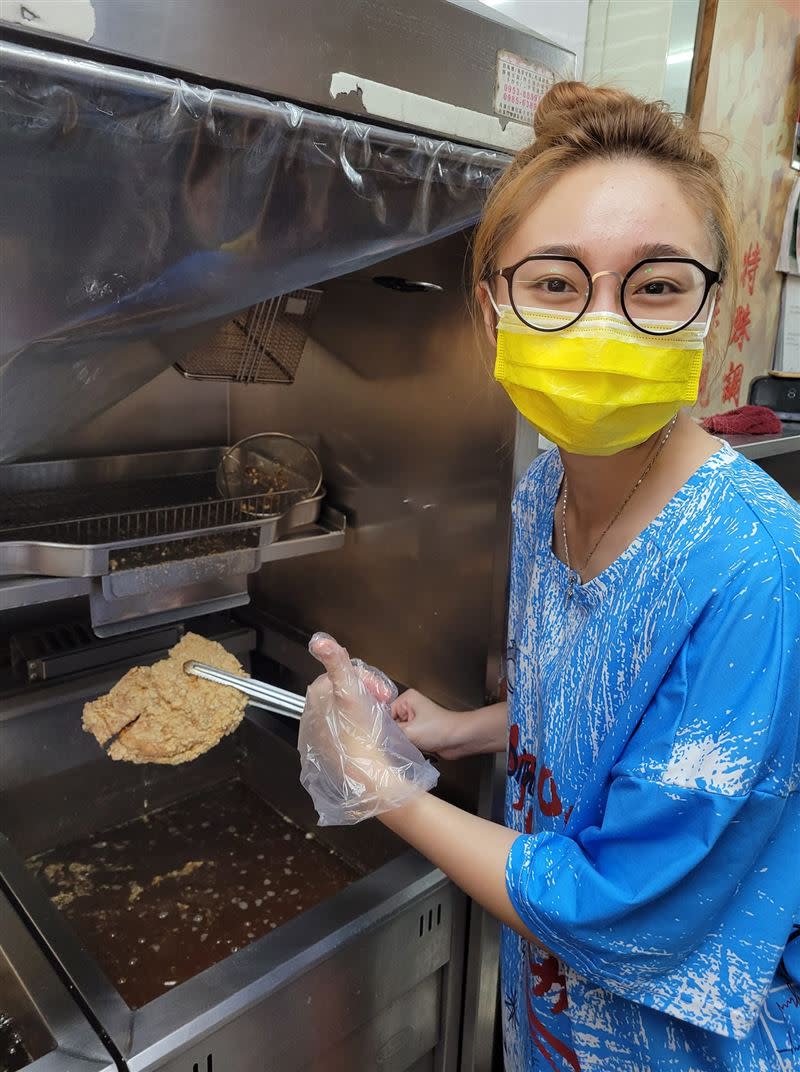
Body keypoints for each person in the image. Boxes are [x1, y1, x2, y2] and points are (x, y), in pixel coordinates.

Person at [299, 82, 800, 1071]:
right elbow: (594, 707)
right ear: (491, 317)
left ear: (710, 311)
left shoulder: (756, 572)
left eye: (654, 287)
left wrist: (380, 789)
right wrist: (462, 728)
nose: (601, 326)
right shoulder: (539, 500)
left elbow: (621, 913)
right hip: (546, 1027)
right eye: (556, 284)